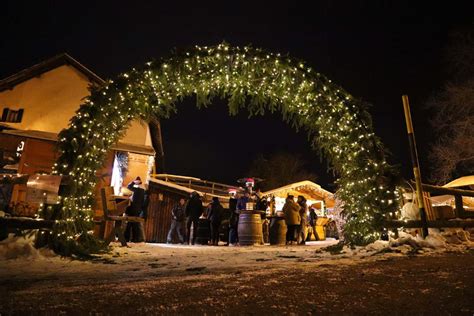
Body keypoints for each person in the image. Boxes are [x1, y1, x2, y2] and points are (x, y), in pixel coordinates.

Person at [124, 176, 147, 242]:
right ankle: (135, 239)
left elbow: (129, 187)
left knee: (130, 224)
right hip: (137, 210)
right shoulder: (142, 190)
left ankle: (127, 238)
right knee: (134, 224)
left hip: (133, 209)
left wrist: (133, 182)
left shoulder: (138, 189)